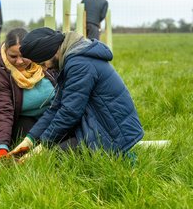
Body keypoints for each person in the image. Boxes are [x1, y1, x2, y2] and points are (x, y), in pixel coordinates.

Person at [9, 27, 144, 160]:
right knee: (52, 150)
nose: (46, 68)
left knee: (52, 159)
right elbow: (56, 108)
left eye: (43, 63)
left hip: (113, 134)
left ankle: (121, 155)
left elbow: (69, 112)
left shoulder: (79, 64)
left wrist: (43, 145)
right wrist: (30, 139)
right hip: (99, 125)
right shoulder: (72, 60)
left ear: (52, 51)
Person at [0, 28, 57, 163]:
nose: (19, 61)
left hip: (52, 118)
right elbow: (3, 111)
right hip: (21, 122)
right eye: (13, 56)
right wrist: (2, 147)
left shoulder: (47, 63)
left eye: (24, 55)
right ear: (5, 52)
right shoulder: (0, 75)